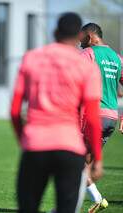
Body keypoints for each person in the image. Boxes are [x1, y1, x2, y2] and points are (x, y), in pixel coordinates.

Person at [10, 13, 103, 213]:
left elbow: (15, 109)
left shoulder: (32, 58)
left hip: (35, 145)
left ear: (55, 32)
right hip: (70, 148)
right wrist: (98, 158)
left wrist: (23, 139)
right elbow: (94, 118)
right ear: (79, 36)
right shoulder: (87, 67)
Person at [80, 22, 123, 213]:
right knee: (84, 165)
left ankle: (97, 199)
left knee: (75, 163)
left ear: (89, 37)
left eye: (81, 38)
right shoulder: (117, 58)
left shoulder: (88, 54)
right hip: (110, 119)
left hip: (92, 117)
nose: (79, 43)